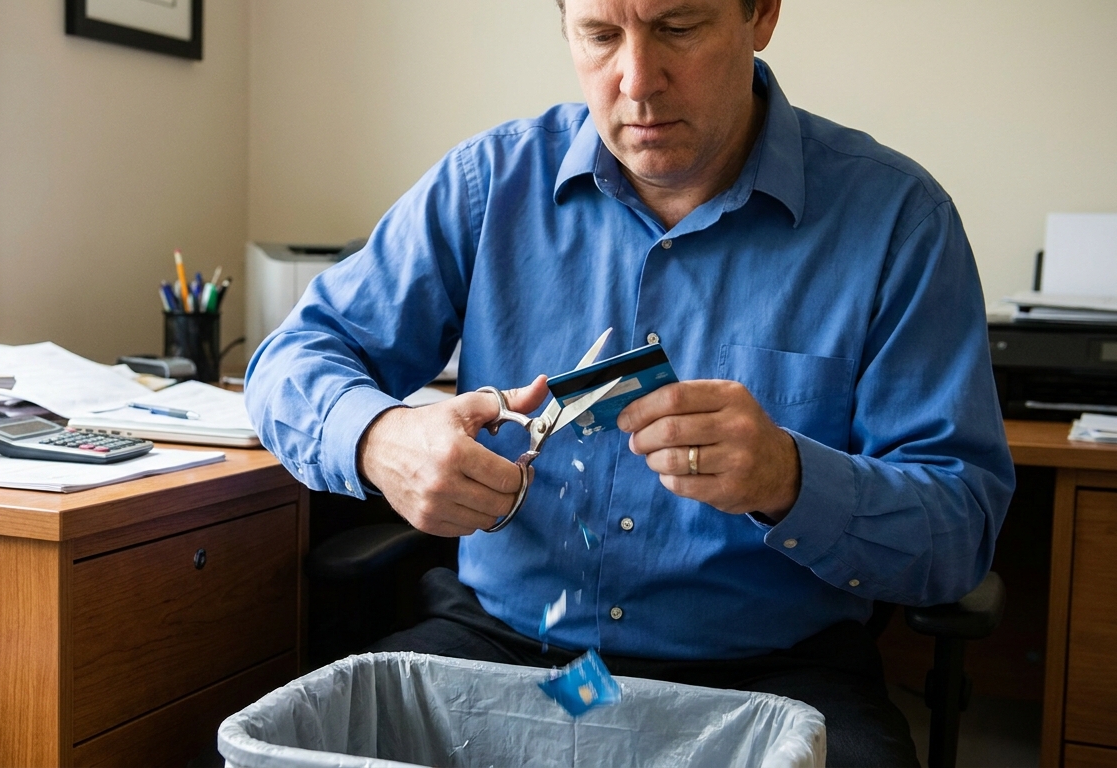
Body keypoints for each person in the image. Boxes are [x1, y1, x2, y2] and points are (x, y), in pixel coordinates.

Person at [245, 0, 1015, 764]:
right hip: (509, 650)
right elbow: (293, 358)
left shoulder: (897, 222)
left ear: (762, 16)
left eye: (678, 27)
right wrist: (381, 439)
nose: (638, 80)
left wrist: (789, 476)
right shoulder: (489, 184)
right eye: (601, 34)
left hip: (771, 679)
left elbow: (959, 531)